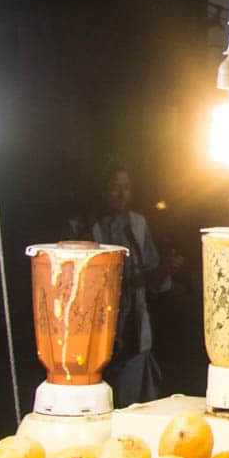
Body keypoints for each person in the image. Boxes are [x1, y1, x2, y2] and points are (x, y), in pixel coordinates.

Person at [71, 164, 182, 407]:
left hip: (134, 327)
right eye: (114, 188)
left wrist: (166, 267)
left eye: (126, 188)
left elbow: (153, 279)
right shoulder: (89, 227)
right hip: (97, 328)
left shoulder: (138, 224)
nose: (121, 194)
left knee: (134, 399)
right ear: (103, 191)